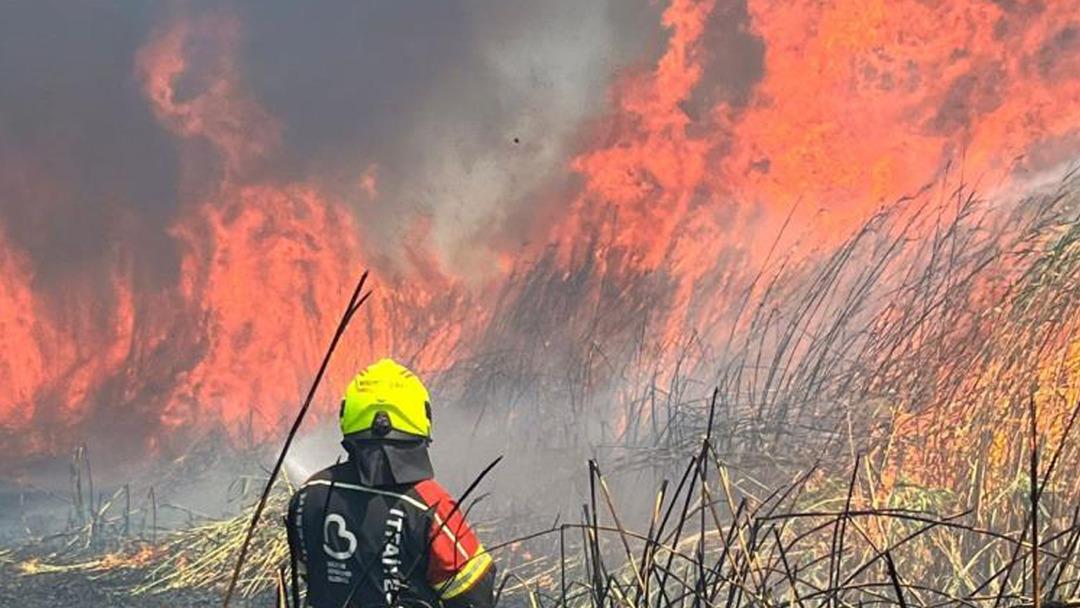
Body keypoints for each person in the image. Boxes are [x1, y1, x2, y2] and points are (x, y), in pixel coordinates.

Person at [286, 358, 495, 607]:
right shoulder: (430, 504)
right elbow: (474, 595)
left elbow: (309, 571)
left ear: (347, 416)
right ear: (423, 416)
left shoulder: (309, 495)